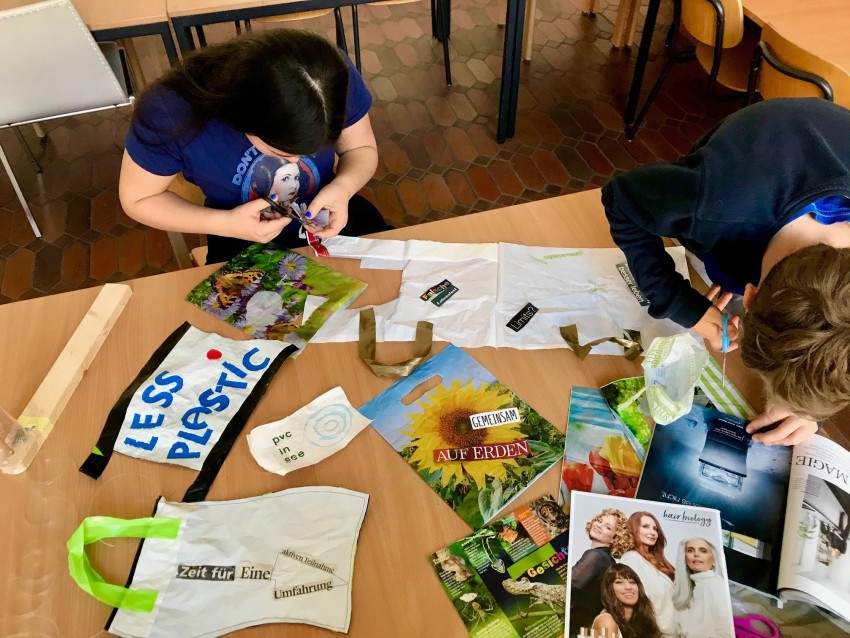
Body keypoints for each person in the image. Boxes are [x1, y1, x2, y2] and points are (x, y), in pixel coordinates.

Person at [602, 98, 850, 447]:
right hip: (756, 155)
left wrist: (811, 408)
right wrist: (677, 301)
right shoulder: (710, 204)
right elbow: (620, 199)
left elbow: (837, 335)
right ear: (747, 297)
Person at [119, 29, 392, 264]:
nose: (296, 162)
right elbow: (138, 199)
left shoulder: (331, 75)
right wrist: (225, 224)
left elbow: (360, 148)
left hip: (336, 216)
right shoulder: (170, 111)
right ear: (241, 118)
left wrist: (343, 188)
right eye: (282, 152)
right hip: (239, 236)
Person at [570, 508, 632, 635]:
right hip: (587, 628)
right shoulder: (609, 562)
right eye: (599, 521)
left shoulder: (595, 556)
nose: (599, 525)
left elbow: (570, 583)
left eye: (608, 527)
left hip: (574, 624)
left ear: (615, 539)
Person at [618, 511, 677, 636]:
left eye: (655, 529)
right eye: (645, 526)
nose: (653, 532)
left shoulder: (657, 562)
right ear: (634, 529)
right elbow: (638, 601)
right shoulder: (631, 558)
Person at [671, 538, 733, 638]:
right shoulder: (686, 588)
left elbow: (726, 630)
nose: (696, 554)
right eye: (690, 550)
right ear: (684, 558)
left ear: (714, 559)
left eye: (703, 551)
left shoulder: (716, 584)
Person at [591, 563, 662, 638]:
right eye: (619, 582)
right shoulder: (606, 620)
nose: (628, 587)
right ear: (609, 589)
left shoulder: (643, 620)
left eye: (632, 582)